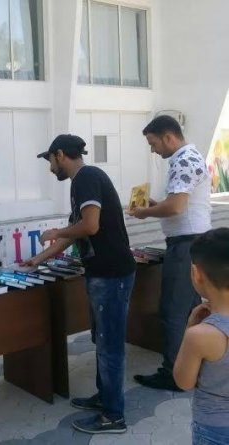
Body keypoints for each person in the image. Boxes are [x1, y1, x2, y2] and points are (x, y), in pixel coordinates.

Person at [25, 134, 136, 434]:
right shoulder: (84, 181)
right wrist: (39, 259)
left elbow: (90, 226)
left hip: (111, 275)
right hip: (102, 273)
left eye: (50, 161)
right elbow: (75, 233)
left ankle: (114, 416)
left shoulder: (86, 178)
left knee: (110, 346)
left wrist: (55, 232)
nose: (50, 168)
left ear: (60, 155)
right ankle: (105, 397)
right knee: (103, 341)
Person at [130, 115, 212, 391]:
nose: (153, 150)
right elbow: (178, 203)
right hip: (192, 242)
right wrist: (155, 205)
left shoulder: (184, 160)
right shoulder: (189, 157)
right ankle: (195, 364)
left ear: (168, 136)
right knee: (190, 308)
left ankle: (174, 373)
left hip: (186, 244)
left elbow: (176, 207)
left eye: (153, 143)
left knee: (173, 310)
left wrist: (145, 212)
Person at [174, 228, 229, 444]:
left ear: (197, 274)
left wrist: (190, 327)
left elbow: (184, 381)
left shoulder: (200, 336)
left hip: (215, 429)